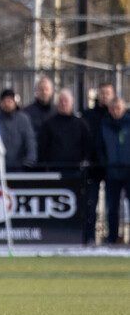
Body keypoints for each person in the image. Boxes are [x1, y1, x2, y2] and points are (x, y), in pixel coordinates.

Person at [84, 82, 116, 244]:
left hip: (114, 168)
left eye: (108, 93)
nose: (105, 96)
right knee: (91, 205)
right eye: (102, 93)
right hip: (94, 166)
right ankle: (89, 238)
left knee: (113, 207)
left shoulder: (118, 116)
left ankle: (112, 238)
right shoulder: (89, 115)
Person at [97, 97, 130, 244]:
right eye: (114, 108)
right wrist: (105, 163)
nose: (116, 111)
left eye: (119, 108)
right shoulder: (104, 125)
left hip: (128, 171)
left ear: (124, 108)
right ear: (110, 109)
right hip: (112, 172)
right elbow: (100, 148)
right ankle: (112, 238)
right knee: (112, 208)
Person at [38, 89, 91, 173]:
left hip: (76, 170)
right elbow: (43, 147)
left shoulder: (81, 124)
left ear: (72, 102)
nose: (63, 104)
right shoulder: (48, 124)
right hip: (54, 170)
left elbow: (87, 146)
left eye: (66, 101)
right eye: (61, 101)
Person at [0, 89, 36, 171]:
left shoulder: (23, 119)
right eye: (5, 101)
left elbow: (30, 140)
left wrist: (29, 161)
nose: (7, 104)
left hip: (20, 167)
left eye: (10, 101)